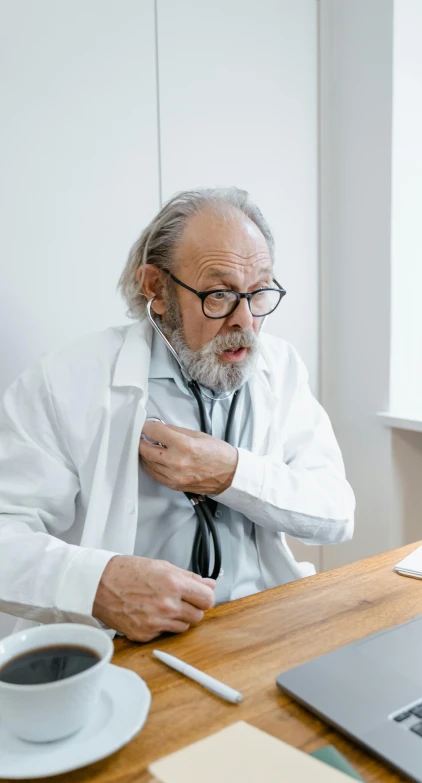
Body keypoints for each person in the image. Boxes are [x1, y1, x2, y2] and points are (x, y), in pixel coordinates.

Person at [0, 187, 355, 643]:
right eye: (220, 294)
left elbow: (336, 512)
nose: (245, 322)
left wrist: (230, 473)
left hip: (260, 623)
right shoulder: (65, 381)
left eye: (259, 292)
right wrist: (97, 584)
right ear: (156, 288)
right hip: (129, 646)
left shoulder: (279, 368)